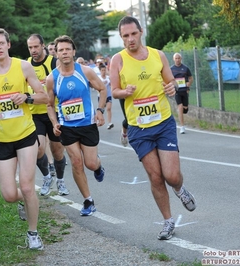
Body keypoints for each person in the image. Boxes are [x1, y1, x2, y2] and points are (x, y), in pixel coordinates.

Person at [109, 16, 196, 240]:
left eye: (133, 34)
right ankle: (168, 221)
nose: (130, 39)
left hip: (163, 122)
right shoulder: (117, 60)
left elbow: (171, 82)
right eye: (125, 36)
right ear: (121, 38)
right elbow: (114, 90)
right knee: (156, 177)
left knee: (172, 175)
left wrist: (170, 88)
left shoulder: (158, 55)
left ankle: (180, 189)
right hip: (139, 128)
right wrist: (124, 92)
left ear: (141, 32)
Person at [0, 28, 48, 250]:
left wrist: (26, 97)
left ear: (8, 45)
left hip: (26, 134)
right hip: (1, 139)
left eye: (0, 43)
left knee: (27, 187)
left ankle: (33, 234)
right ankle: (25, 202)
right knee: (9, 195)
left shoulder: (23, 67)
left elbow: (44, 96)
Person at [46, 35, 107, 216]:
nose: (64, 53)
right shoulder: (52, 78)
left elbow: (102, 89)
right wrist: (54, 122)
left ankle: (98, 166)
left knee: (89, 163)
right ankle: (88, 200)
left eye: (67, 49)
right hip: (67, 127)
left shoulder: (85, 71)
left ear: (73, 52)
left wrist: (100, 111)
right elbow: (49, 104)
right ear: (56, 54)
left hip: (87, 124)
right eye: (60, 50)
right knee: (76, 161)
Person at [27, 33, 69, 197]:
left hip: (54, 112)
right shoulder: (26, 65)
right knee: (37, 149)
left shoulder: (53, 62)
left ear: (43, 45)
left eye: (36, 46)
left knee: (58, 151)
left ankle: (60, 180)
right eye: (30, 47)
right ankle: (46, 177)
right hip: (35, 114)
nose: (33, 50)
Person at [171, 53, 193, 134]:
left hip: (185, 90)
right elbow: (169, 79)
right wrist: (172, 85)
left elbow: (191, 78)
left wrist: (189, 84)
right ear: (174, 59)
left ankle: (184, 109)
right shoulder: (171, 69)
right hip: (177, 91)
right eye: (176, 58)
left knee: (185, 109)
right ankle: (182, 126)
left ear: (181, 59)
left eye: (179, 58)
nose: (177, 60)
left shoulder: (185, 68)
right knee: (180, 107)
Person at [98, 63, 114, 129]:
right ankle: (99, 121)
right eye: (102, 70)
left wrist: (111, 85)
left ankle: (109, 123)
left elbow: (111, 85)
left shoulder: (108, 78)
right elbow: (96, 88)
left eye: (104, 70)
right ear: (100, 71)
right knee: (101, 110)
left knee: (109, 108)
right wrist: (101, 85)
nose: (104, 72)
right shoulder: (98, 78)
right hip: (101, 96)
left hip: (108, 95)